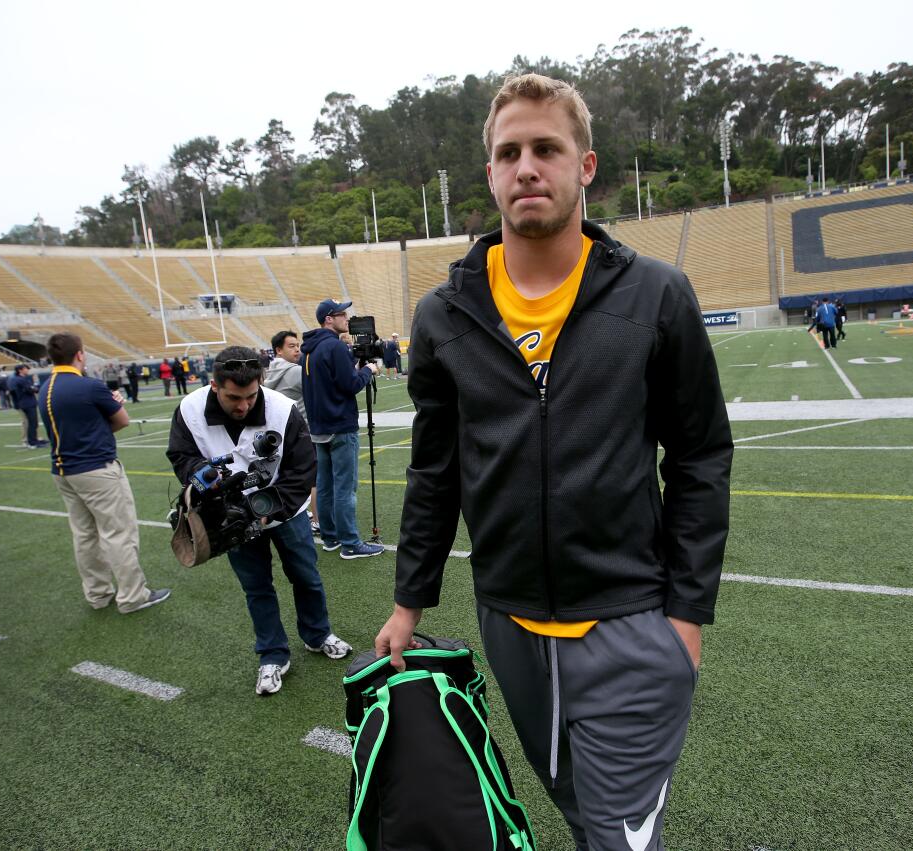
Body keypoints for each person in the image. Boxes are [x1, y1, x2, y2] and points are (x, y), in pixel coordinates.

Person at [375, 74, 732, 851]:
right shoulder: (445, 314)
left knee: (616, 836)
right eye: (508, 153)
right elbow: (435, 471)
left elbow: (701, 453)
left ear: (586, 166)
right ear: (492, 173)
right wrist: (410, 602)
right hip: (509, 623)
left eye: (546, 148)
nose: (526, 166)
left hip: (631, 624)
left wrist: (684, 621)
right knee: (579, 813)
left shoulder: (657, 295)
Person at [166, 346, 352, 695]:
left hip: (286, 510)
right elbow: (180, 454)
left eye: (251, 396)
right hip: (229, 517)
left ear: (261, 384)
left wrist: (268, 509)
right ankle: (272, 653)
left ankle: (317, 633)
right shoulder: (190, 410)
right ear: (214, 386)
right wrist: (200, 473)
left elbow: (302, 468)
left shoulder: (281, 409)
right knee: (256, 588)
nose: (243, 406)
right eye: (233, 397)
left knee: (306, 576)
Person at [38, 333, 170, 615]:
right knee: (119, 533)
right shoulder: (89, 386)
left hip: (63, 471)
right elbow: (122, 421)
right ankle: (133, 596)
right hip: (96, 469)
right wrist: (113, 404)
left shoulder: (45, 387)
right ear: (80, 355)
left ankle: (98, 594)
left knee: (84, 535)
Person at [299, 299, 384, 560]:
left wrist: (355, 369)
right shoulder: (334, 346)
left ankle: (331, 537)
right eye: (341, 314)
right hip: (339, 425)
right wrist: (368, 370)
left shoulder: (309, 349)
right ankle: (350, 543)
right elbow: (349, 386)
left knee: (325, 486)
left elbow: (334, 380)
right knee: (345, 488)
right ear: (328, 319)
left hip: (319, 426)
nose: (346, 318)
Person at [265, 331, 321, 534]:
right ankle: (317, 519)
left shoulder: (271, 371)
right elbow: (320, 388)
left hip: (280, 432)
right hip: (301, 431)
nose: (297, 349)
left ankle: (297, 511)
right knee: (313, 478)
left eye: (298, 345)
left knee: (285, 475)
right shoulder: (294, 372)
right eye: (291, 346)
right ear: (278, 350)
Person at [9, 365, 47, 448]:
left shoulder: (20, 379)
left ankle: (34, 440)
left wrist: (34, 387)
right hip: (27, 403)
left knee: (33, 423)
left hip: (27, 402)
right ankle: (32, 442)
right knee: (32, 423)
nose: (27, 370)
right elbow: (31, 390)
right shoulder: (20, 380)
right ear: (20, 370)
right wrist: (36, 383)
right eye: (25, 369)